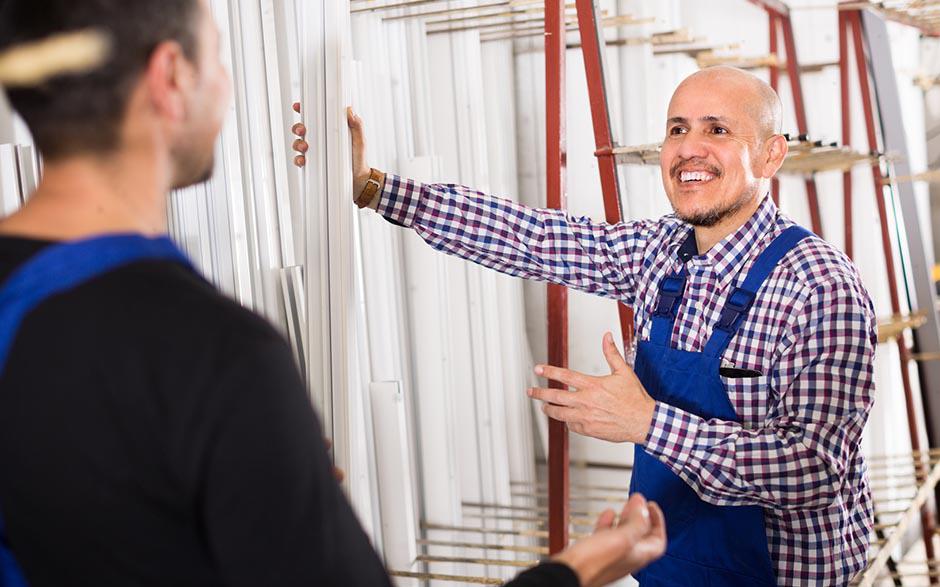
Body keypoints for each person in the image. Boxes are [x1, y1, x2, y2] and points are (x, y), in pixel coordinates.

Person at [0, 1, 667, 586]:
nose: (228, 85)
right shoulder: (214, 354)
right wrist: (575, 570)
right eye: (219, 57)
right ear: (171, 77)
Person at [295, 64, 877, 585]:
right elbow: (527, 236)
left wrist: (647, 421)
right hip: (666, 568)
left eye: (717, 130)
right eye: (677, 129)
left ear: (771, 155)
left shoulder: (819, 287)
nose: (689, 149)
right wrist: (373, 187)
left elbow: (815, 470)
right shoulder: (658, 254)